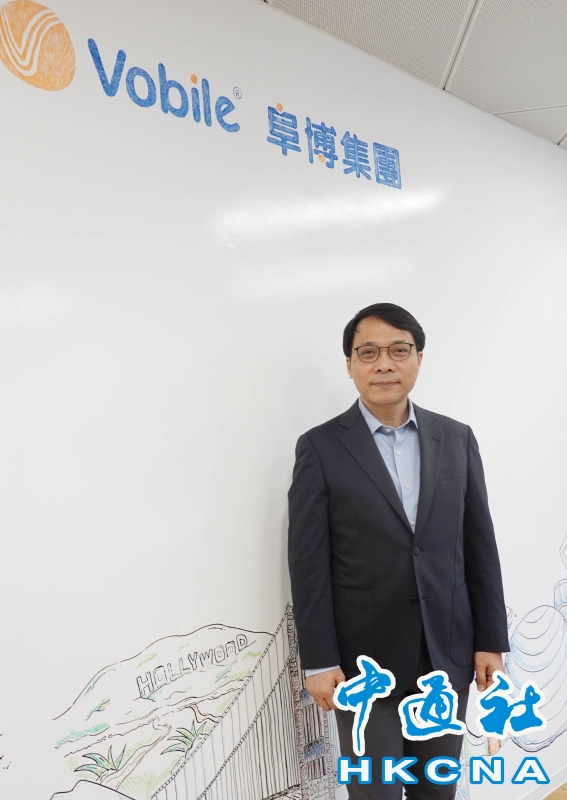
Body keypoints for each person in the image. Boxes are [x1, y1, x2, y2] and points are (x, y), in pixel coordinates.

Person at [287, 303, 509, 799]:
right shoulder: (320, 448)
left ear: (419, 358)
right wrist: (319, 661)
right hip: (364, 666)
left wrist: (490, 641)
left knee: (437, 791)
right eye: (368, 353)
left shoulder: (456, 438)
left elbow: (479, 544)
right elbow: (308, 563)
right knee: (376, 793)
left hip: (445, 656)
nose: (384, 364)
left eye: (398, 350)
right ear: (350, 365)